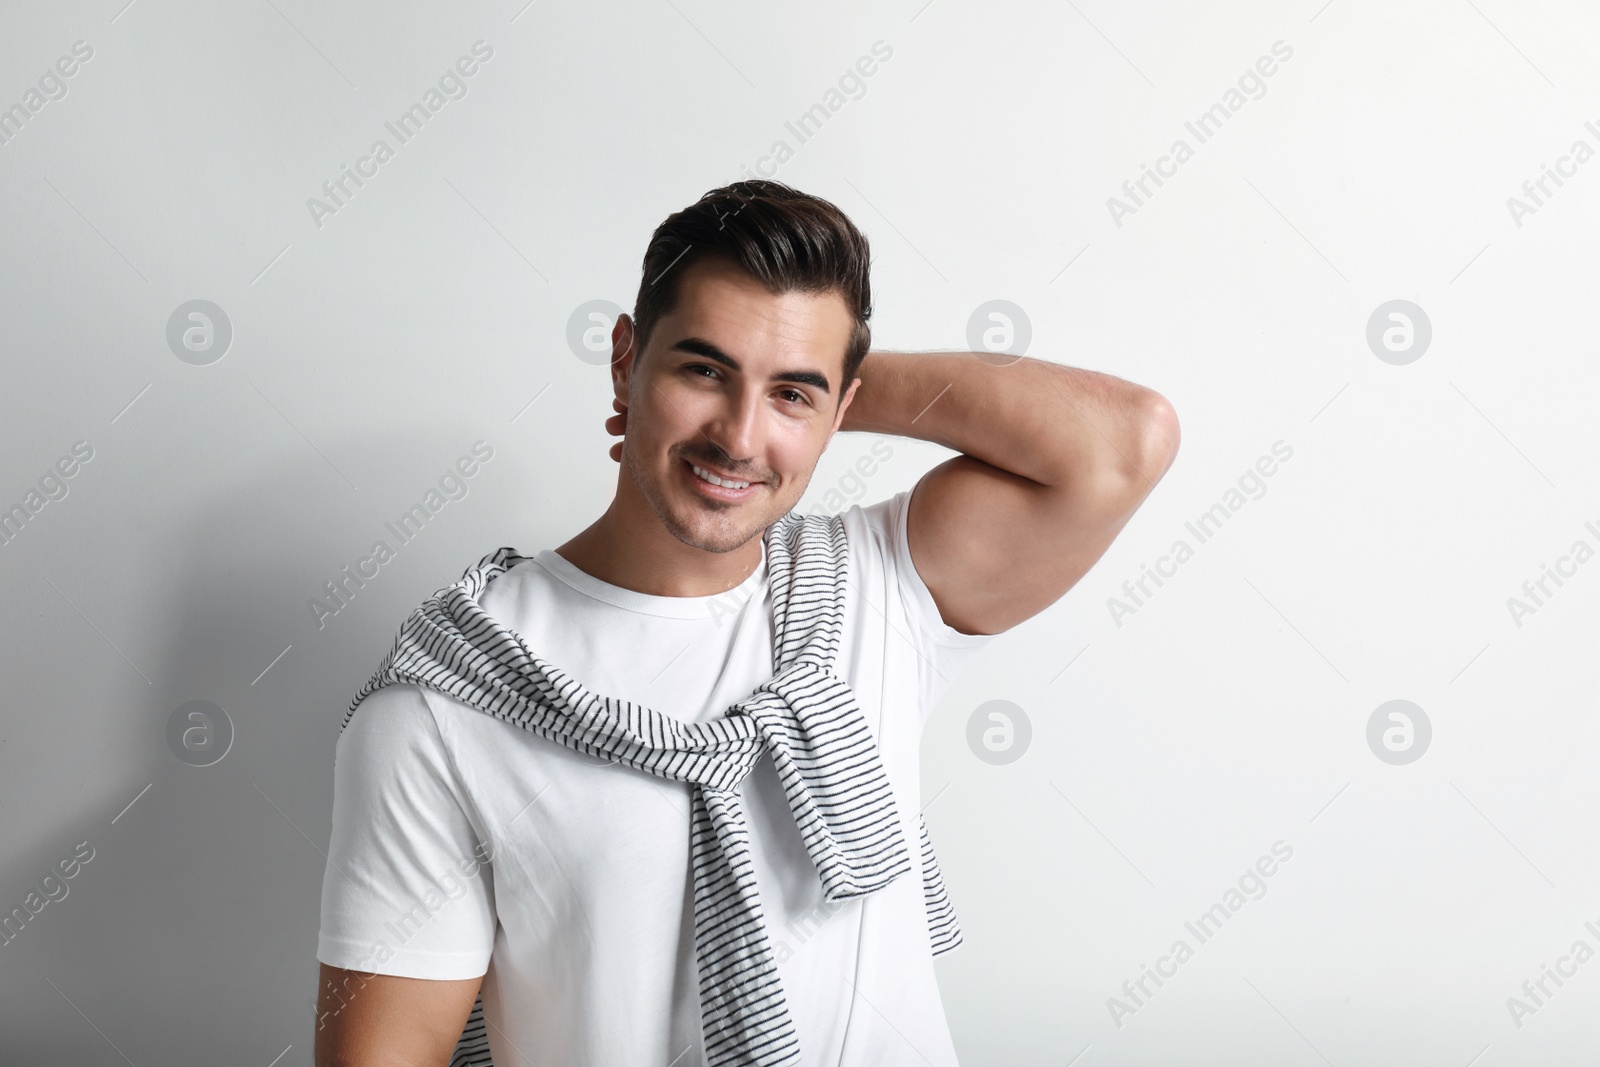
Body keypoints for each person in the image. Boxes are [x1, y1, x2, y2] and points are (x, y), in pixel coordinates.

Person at [312, 179, 1179, 1066]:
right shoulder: (445, 702)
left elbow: (1125, 442)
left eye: (791, 397)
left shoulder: (876, 585)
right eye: (702, 369)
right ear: (624, 361)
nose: (737, 436)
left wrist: (826, 389)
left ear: (842, 408)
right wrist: (797, 385)